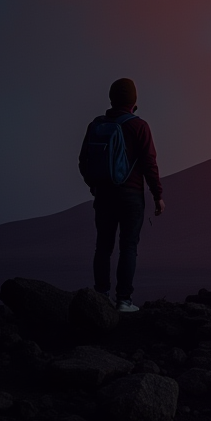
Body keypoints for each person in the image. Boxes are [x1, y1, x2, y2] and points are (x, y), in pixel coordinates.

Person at [77, 78, 165, 312]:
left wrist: (94, 186)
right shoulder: (139, 126)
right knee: (128, 247)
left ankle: (100, 295)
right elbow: (149, 163)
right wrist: (158, 195)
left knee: (103, 246)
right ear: (134, 100)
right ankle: (124, 301)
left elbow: (82, 161)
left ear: (111, 98)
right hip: (131, 196)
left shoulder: (96, 124)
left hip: (103, 195)